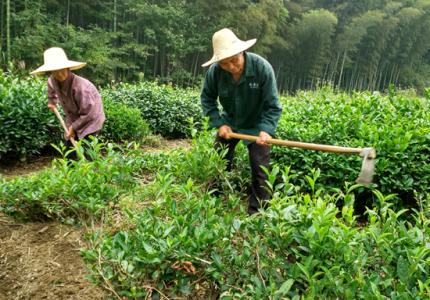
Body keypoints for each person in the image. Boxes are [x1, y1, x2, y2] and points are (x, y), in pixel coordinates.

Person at [200, 28, 282, 215]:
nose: (230, 66)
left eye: (234, 60)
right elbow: (207, 99)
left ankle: (257, 213)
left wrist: (266, 130)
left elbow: (273, 105)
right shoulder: (215, 72)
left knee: (260, 169)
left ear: (241, 52)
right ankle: (212, 202)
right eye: (224, 63)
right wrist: (219, 123)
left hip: (257, 125)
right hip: (230, 123)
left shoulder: (262, 68)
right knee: (219, 161)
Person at [31, 47, 105, 159]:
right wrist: (52, 101)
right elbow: (51, 87)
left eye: (62, 69)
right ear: (50, 72)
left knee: (87, 152)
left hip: (91, 121)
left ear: (68, 68)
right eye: (55, 71)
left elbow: (90, 114)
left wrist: (73, 127)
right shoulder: (52, 80)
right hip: (74, 118)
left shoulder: (81, 87)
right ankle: (71, 173)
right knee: (69, 152)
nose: (59, 74)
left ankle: (91, 173)